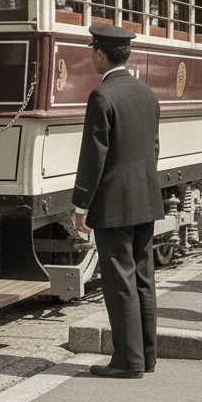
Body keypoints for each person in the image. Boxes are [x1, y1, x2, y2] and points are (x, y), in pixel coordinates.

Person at [72, 24, 163, 378]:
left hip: (113, 204)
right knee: (143, 277)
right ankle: (147, 356)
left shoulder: (102, 96)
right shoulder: (147, 93)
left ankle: (127, 360)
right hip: (145, 199)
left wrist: (81, 204)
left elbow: (93, 157)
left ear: (100, 53)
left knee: (120, 281)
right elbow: (153, 149)